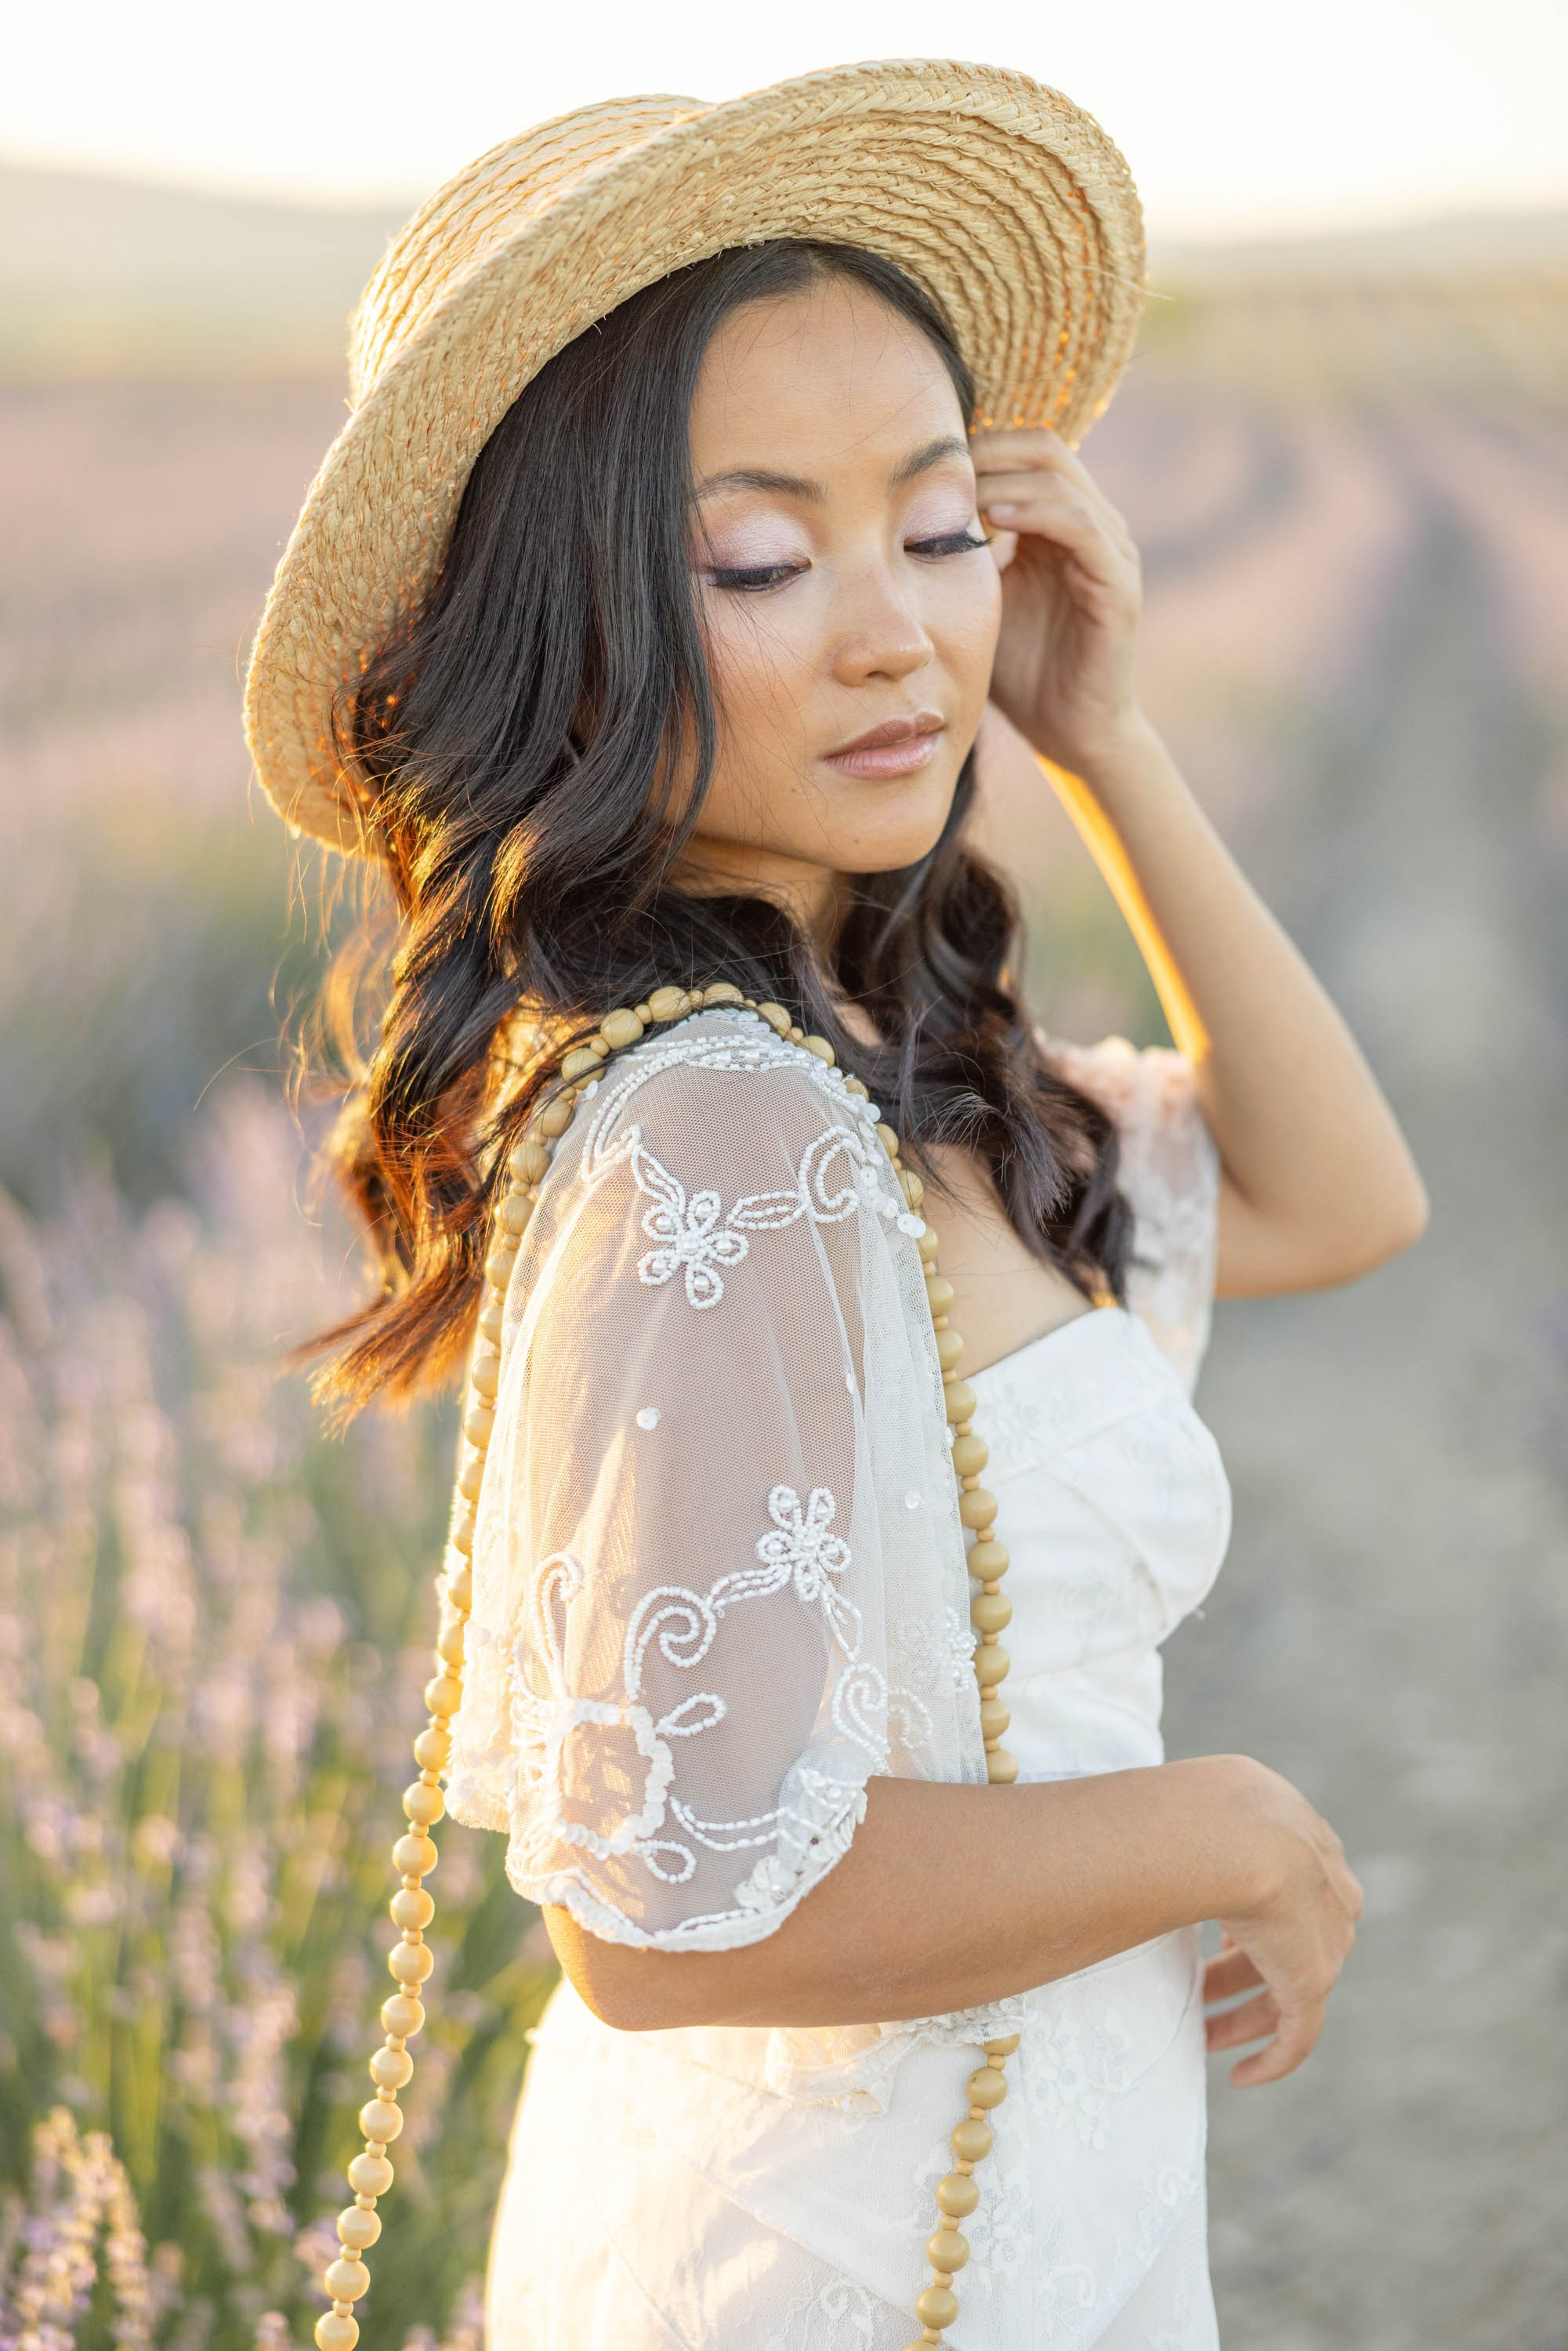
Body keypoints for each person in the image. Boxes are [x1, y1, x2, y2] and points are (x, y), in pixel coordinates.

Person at [245, 62, 1425, 2351]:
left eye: (940, 525)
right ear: (572, 626)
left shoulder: (877, 1070)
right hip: (856, 2269)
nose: (897, 634)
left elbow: (1335, 1200)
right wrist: (1224, 1827)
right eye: (763, 561)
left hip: (986, 2211)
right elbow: (666, 1913)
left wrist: (1107, 739)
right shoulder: (722, 1125)